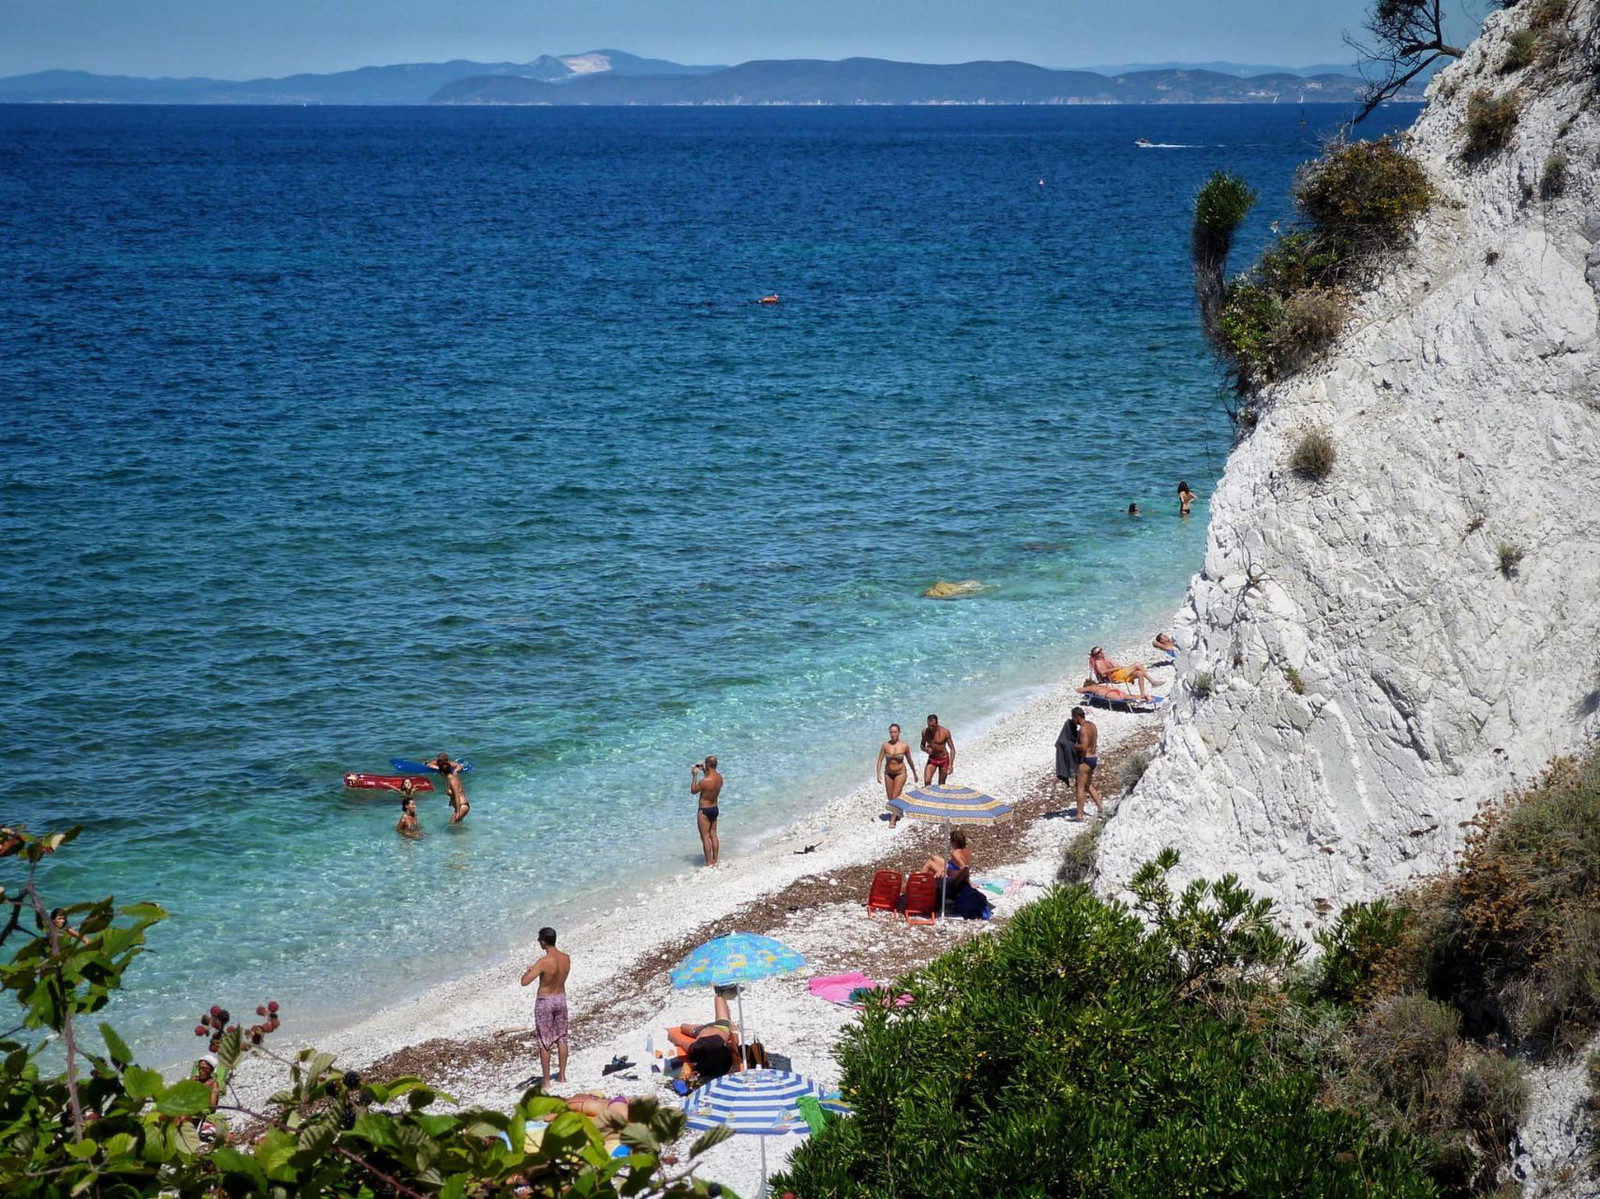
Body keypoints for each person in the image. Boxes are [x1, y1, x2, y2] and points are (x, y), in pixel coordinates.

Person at [520, 927, 571, 1085]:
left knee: (545, 1041)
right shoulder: (566, 958)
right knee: (562, 1038)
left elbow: (524, 982)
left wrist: (528, 971)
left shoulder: (543, 962)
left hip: (545, 1000)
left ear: (543, 942)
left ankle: (547, 1081)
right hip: (560, 998)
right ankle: (562, 1077)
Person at [666, 992, 738, 1085]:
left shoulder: (722, 1052)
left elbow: (734, 1043)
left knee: (683, 1026)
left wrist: (734, 1034)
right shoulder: (697, 1050)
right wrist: (672, 1038)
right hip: (704, 1030)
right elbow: (681, 1043)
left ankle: (719, 992)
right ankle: (719, 992)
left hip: (719, 1028)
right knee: (684, 1027)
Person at [875, 724, 917, 827]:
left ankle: (892, 820)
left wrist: (914, 773)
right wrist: (878, 774)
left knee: (895, 796)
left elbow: (909, 760)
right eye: (891, 732)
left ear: (899, 732)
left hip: (900, 773)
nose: (893, 734)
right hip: (888, 773)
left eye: (895, 732)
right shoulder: (885, 745)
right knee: (890, 798)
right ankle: (897, 812)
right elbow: (880, 760)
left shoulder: (904, 746)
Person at [1088, 646, 1158, 701]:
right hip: (1114, 677)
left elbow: (1116, 666)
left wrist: (1117, 667)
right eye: (1099, 652)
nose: (1101, 652)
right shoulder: (1098, 663)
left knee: (1139, 673)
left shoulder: (1105, 659)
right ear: (1096, 655)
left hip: (1118, 674)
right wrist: (1116, 668)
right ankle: (1152, 682)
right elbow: (1102, 673)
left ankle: (1142, 694)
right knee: (1137, 664)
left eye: (1101, 650)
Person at [690, 756, 723, 867]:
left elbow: (694, 791)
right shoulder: (720, 778)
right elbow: (710, 781)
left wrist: (694, 776)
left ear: (708, 765)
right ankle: (715, 860)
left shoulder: (704, 781)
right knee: (713, 834)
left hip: (704, 810)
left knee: (705, 837)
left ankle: (708, 862)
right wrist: (705, 770)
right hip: (714, 808)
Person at [1074, 707, 1102, 820]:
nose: (1073, 721)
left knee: (1080, 788)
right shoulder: (1093, 726)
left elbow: (1084, 747)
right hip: (1093, 758)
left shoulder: (1083, 729)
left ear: (1077, 716)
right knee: (1088, 785)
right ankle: (1101, 808)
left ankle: (1079, 814)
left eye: (1073, 718)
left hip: (1085, 760)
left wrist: (1072, 746)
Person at [431, 753, 469, 824]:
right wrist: (451, 801)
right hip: (462, 806)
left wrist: (457, 812)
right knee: (456, 827)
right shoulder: (451, 779)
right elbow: (454, 794)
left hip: (462, 806)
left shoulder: (452, 780)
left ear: (442, 773)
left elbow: (457, 795)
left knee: (451, 826)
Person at [920, 715, 956, 785]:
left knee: (941, 784)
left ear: (937, 723)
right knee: (927, 781)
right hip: (932, 759)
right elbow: (922, 745)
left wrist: (951, 765)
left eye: (933, 726)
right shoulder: (925, 732)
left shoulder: (945, 732)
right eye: (929, 725)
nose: (931, 728)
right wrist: (925, 750)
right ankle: (929, 795)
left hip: (943, 759)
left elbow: (952, 749)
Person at [1054, 713, 1082, 801]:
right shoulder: (1081, 732)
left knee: (1082, 787)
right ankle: (1098, 807)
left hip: (1083, 763)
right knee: (1084, 786)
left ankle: (1080, 813)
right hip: (1086, 761)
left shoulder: (1082, 731)